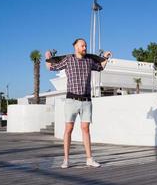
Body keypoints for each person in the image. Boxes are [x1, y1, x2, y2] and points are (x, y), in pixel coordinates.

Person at [45, 38, 111, 168]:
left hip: (86, 101)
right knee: (68, 129)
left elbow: (100, 67)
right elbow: (52, 68)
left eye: (85, 46)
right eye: (82, 46)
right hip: (71, 101)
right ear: (75, 47)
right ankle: (66, 160)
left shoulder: (89, 61)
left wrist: (105, 57)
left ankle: (89, 159)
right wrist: (47, 58)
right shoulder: (68, 59)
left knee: (86, 129)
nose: (85, 48)